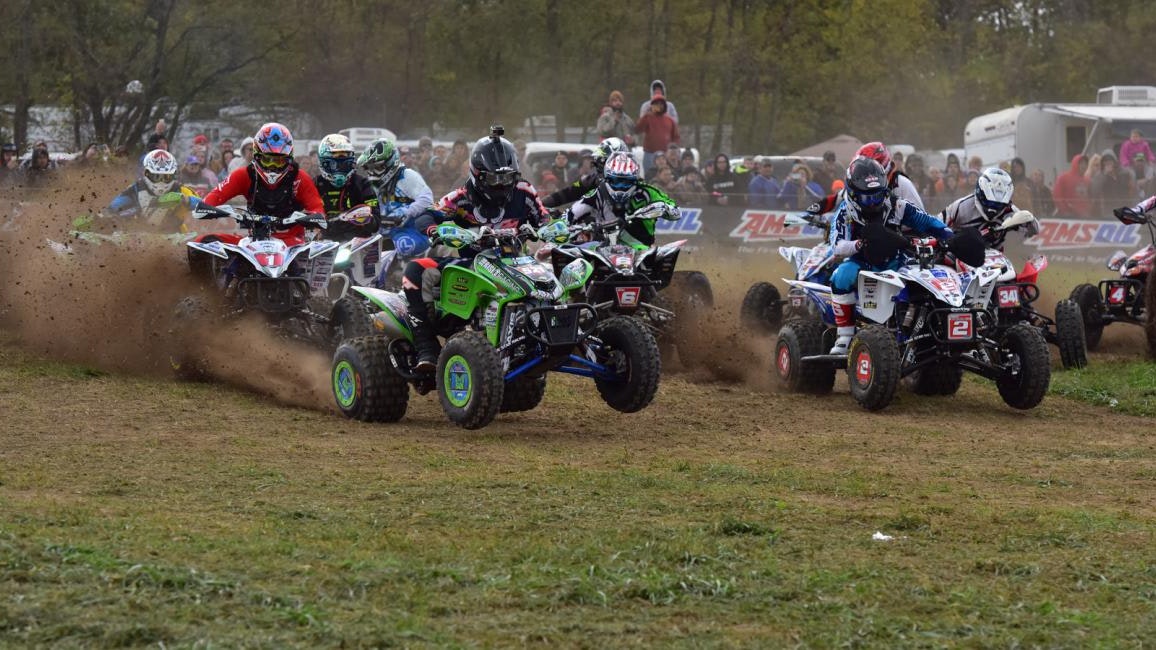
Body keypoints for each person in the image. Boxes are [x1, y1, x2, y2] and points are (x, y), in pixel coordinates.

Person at [401, 128, 550, 371]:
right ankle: (426, 348)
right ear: (478, 175)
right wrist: (435, 231)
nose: (502, 184)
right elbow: (427, 216)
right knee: (415, 270)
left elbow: (544, 219)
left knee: (556, 275)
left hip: (517, 265)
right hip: (472, 265)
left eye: (508, 177)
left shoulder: (524, 192)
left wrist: (549, 231)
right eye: (494, 179)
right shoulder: (461, 197)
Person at [827, 158, 953, 354]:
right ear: (852, 194)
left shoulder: (899, 206)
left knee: (928, 276)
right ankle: (844, 336)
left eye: (878, 195)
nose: (874, 202)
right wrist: (859, 245)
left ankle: (926, 331)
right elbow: (837, 247)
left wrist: (948, 236)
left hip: (898, 260)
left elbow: (928, 221)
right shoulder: (845, 213)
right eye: (867, 198)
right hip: (864, 262)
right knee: (841, 276)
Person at [202, 122, 324, 241]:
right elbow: (216, 195)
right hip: (254, 241)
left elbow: (317, 208)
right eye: (267, 160)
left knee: (323, 251)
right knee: (204, 241)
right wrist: (207, 207)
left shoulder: (299, 178)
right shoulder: (245, 175)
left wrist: (314, 218)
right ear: (257, 157)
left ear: (288, 160)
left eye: (279, 161)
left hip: (292, 242)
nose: (272, 166)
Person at [564, 152, 678, 249]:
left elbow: (676, 211)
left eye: (626, 181)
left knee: (665, 257)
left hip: (641, 249)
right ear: (608, 178)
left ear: (634, 179)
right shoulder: (598, 193)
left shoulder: (647, 191)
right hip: (603, 249)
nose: (621, 186)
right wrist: (560, 225)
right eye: (616, 180)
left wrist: (663, 208)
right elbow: (572, 212)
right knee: (573, 252)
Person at [940, 167, 1037, 250]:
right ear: (980, 192)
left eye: (998, 204)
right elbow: (936, 222)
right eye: (989, 202)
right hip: (958, 253)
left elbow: (1036, 230)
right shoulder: (962, 206)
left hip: (994, 258)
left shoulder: (1010, 210)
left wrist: (1030, 220)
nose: (993, 209)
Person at [107, 149, 200, 232]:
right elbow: (114, 206)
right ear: (146, 173)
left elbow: (204, 204)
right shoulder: (136, 188)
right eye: (156, 176)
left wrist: (187, 200)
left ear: (173, 175)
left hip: (175, 235)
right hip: (140, 236)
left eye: (166, 177)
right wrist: (106, 217)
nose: (161, 182)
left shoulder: (180, 189)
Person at [355, 137, 434, 229]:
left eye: (376, 167)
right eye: (368, 168)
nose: (372, 173)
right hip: (381, 230)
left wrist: (404, 212)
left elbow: (427, 200)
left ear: (390, 162)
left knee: (403, 243)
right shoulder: (371, 184)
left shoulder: (407, 175)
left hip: (409, 228)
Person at [313, 133, 379, 238]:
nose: (340, 169)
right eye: (334, 165)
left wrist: (367, 218)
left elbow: (376, 223)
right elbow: (302, 213)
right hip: (324, 243)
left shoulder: (362, 183)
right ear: (324, 164)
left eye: (345, 164)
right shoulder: (315, 184)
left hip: (356, 241)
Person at [541, 137, 630, 208]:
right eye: (598, 160)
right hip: (600, 225)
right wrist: (541, 204)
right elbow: (570, 191)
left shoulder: (634, 184)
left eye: (602, 160)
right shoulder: (593, 179)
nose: (598, 164)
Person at [634, 94, 679, 174]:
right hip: (649, 153)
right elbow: (637, 129)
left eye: (661, 104)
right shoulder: (647, 117)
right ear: (652, 105)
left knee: (666, 175)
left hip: (665, 154)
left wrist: (673, 152)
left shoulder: (669, 120)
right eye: (656, 104)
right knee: (649, 176)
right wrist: (645, 115)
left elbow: (676, 137)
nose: (659, 106)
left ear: (664, 106)